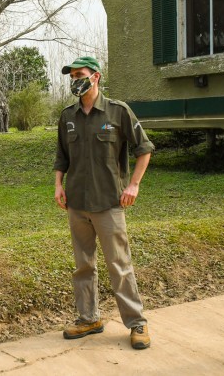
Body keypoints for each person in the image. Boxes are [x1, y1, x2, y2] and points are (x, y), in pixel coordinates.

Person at [53, 56, 155, 349]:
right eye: (72, 76)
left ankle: (137, 323)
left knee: (119, 265)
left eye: (80, 75)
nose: (75, 81)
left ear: (95, 77)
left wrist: (133, 184)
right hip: (76, 203)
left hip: (109, 203)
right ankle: (89, 318)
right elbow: (62, 156)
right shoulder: (67, 116)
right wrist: (59, 185)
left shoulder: (118, 112)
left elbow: (144, 148)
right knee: (83, 266)